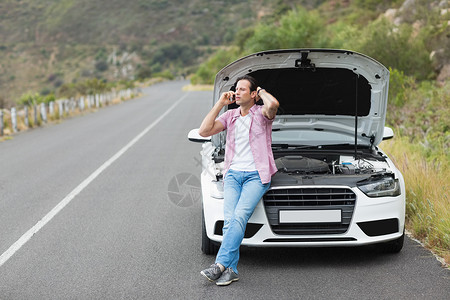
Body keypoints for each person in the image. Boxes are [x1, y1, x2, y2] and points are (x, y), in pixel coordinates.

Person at [198, 75, 279, 286]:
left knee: (240, 216)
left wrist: (260, 92)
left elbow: (274, 104)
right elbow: (204, 130)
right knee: (229, 221)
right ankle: (231, 269)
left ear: (252, 94)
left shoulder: (262, 114)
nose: (237, 92)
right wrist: (220, 103)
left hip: (256, 175)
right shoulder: (231, 116)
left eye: (243, 89)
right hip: (233, 174)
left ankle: (220, 265)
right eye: (236, 89)